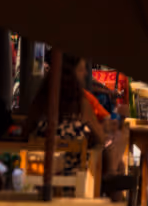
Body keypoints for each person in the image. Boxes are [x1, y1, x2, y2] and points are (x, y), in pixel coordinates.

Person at [30, 53, 121, 186]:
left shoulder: (41, 100)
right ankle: (118, 203)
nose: (85, 73)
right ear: (70, 74)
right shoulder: (81, 105)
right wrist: (105, 129)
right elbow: (102, 139)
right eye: (81, 69)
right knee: (114, 163)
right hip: (76, 183)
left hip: (38, 179)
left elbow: (26, 132)